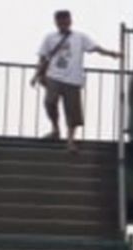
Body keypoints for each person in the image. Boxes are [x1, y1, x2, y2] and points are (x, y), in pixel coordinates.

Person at [30, 10, 121, 152]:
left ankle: (70, 141)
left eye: (65, 21)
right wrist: (36, 75)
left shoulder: (80, 37)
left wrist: (111, 53)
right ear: (56, 23)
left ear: (70, 21)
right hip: (54, 76)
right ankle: (55, 128)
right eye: (60, 22)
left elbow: (95, 48)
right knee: (50, 102)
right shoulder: (49, 38)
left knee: (72, 111)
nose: (63, 24)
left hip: (73, 79)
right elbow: (43, 58)